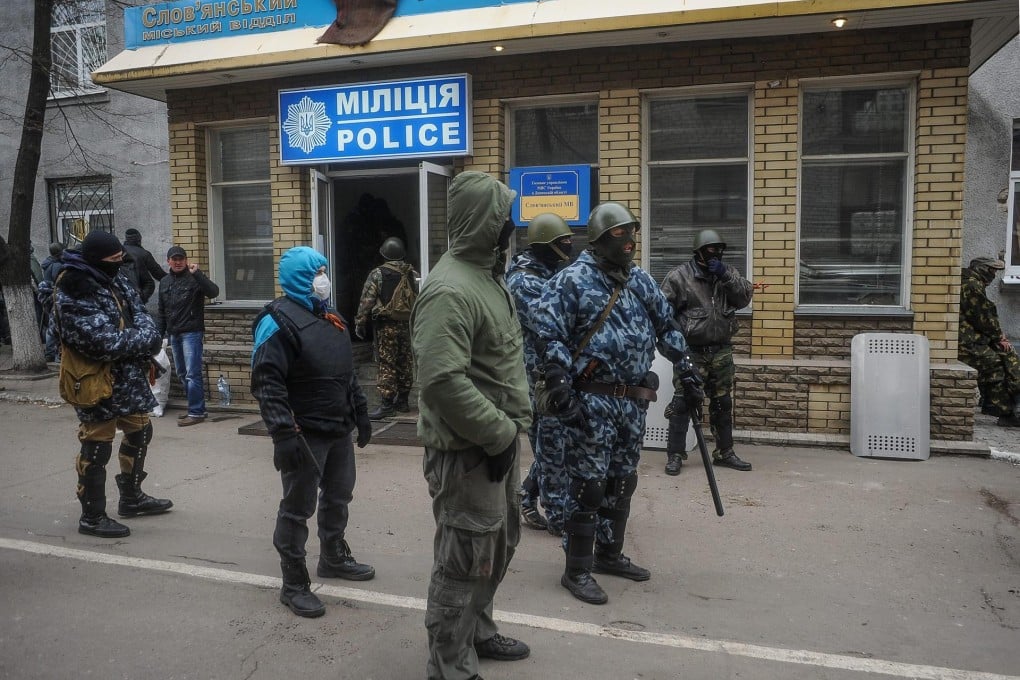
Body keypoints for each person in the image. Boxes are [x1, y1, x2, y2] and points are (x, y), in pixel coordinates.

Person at [533, 201, 699, 606]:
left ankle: (609, 554)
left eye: (632, 233)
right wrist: (558, 386)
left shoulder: (639, 280)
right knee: (589, 486)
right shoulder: (571, 281)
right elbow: (547, 334)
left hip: (632, 402)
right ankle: (577, 569)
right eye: (619, 235)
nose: (628, 243)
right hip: (591, 401)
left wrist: (688, 369)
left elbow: (666, 325)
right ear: (600, 240)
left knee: (622, 481)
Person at [411, 171, 532, 679]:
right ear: (486, 224)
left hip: (494, 445)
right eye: (506, 219)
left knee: (498, 543)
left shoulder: (486, 277)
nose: (513, 228)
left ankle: (477, 631)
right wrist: (500, 432)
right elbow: (441, 381)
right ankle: (449, 662)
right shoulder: (449, 289)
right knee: (464, 558)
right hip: (468, 451)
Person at [251, 246, 375, 618]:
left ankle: (333, 556)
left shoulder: (330, 315)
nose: (324, 277)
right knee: (297, 507)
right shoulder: (276, 320)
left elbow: (345, 371)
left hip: (338, 426)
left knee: (339, 494)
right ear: (299, 277)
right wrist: (282, 433)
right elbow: (266, 383)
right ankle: (294, 583)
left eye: (324, 269)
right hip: (304, 431)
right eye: (316, 271)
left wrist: (361, 412)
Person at [51, 230, 173, 538]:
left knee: (141, 430)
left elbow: (143, 316)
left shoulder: (114, 278)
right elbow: (104, 342)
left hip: (128, 377)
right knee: (97, 445)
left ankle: (132, 498)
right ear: (95, 260)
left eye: (121, 259)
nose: (120, 264)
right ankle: (92, 516)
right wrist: (145, 340)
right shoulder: (73, 287)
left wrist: (143, 337)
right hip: (96, 381)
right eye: (114, 260)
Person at [660, 229, 754, 474]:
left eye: (720, 250)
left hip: (721, 349)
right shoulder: (679, 277)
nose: (716, 254)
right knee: (683, 401)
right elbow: (662, 313)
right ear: (699, 251)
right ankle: (675, 454)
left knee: (722, 402)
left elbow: (744, 298)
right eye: (711, 249)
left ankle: (725, 452)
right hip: (691, 350)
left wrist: (725, 277)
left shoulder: (727, 273)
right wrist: (673, 346)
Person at [505, 213, 574, 534]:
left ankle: (526, 496)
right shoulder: (524, 281)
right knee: (553, 447)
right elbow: (552, 325)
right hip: (538, 379)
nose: (568, 247)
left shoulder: (548, 274)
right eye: (562, 243)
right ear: (544, 245)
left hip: (554, 373)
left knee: (556, 444)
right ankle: (559, 517)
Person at [354, 236, 419, 418]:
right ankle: (403, 402)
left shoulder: (378, 274)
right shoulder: (411, 274)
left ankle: (387, 405)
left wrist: (360, 322)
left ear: (384, 253)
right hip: (406, 325)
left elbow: (366, 301)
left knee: (386, 363)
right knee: (405, 362)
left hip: (386, 326)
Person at [156, 246, 220, 426]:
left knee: (192, 373)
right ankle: (196, 408)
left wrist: (198, 274)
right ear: (168, 261)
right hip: (174, 333)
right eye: (174, 259)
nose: (177, 262)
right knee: (183, 374)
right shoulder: (165, 281)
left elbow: (214, 292)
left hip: (192, 332)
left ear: (185, 260)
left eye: (181, 259)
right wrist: (159, 336)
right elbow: (161, 311)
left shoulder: (194, 278)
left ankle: (196, 411)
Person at [959, 256, 1020, 428]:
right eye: (991, 270)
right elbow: (983, 317)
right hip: (965, 342)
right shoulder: (972, 285)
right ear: (981, 269)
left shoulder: (970, 282)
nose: (993, 275)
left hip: (972, 338)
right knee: (995, 366)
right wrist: (999, 337)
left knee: (1006, 357)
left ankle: (995, 405)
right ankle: (1005, 413)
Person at [122, 228, 167, 304]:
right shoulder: (144, 253)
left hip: (121, 289)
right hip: (137, 291)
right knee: (150, 283)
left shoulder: (118, 250)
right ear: (139, 239)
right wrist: (173, 278)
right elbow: (157, 273)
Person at [38, 243, 65, 362]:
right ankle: (51, 353)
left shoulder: (48, 262)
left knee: (51, 324)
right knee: (54, 326)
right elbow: (58, 282)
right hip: (54, 297)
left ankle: (50, 352)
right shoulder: (57, 265)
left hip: (48, 297)